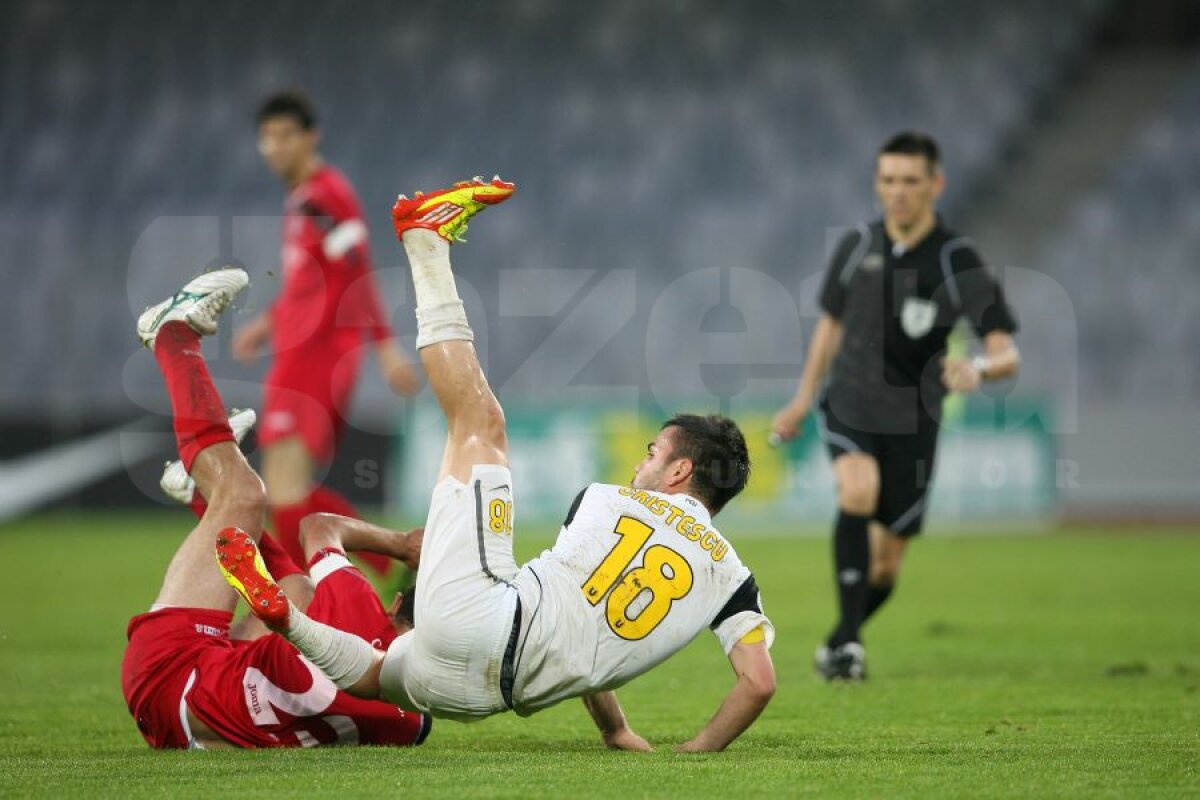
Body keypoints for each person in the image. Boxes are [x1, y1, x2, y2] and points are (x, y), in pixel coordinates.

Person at [219, 177, 777, 752]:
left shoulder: (605, 501)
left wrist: (615, 724)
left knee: (480, 425)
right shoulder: (732, 578)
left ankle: (426, 244)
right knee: (374, 677)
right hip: (479, 698)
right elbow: (758, 683)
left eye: (654, 453)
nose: (642, 462)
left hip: (485, 625)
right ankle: (288, 620)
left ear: (681, 472)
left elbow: (577, 601)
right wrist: (688, 750)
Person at [122, 269, 429, 749]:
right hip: (191, 726)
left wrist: (401, 545)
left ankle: (172, 334)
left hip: (168, 672)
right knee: (297, 589)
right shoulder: (413, 722)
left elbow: (316, 527)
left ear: (394, 605)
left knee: (245, 494)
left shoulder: (359, 611)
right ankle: (205, 497)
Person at [770, 131, 1020, 680]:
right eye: (888, 180)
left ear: (936, 184)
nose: (898, 192)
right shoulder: (857, 244)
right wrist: (801, 399)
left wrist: (976, 367)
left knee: (886, 565)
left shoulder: (957, 259)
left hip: (915, 419)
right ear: (877, 183)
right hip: (851, 401)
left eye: (910, 181)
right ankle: (850, 647)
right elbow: (830, 327)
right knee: (857, 490)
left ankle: (839, 638)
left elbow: (1005, 353)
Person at [232, 90, 420, 577]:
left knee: (284, 490)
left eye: (285, 136)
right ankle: (393, 559)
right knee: (285, 492)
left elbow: (357, 271)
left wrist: (386, 348)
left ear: (310, 137)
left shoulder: (325, 195)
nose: (274, 147)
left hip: (318, 356)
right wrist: (266, 325)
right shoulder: (300, 201)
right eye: (266, 137)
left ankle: (314, 602)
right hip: (297, 353)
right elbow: (309, 284)